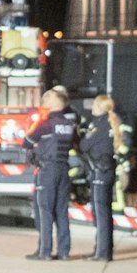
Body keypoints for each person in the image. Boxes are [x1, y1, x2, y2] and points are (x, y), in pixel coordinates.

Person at [24, 87, 79, 261]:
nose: (44, 103)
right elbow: (76, 144)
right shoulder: (69, 125)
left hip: (47, 169)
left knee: (45, 210)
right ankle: (64, 252)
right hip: (63, 169)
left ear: (54, 102)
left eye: (47, 100)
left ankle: (45, 251)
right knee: (62, 212)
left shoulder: (46, 124)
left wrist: (34, 150)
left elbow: (26, 142)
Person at [78, 94, 123, 261]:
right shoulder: (112, 123)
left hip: (99, 171)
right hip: (107, 170)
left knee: (100, 213)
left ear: (99, 108)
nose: (92, 108)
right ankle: (103, 250)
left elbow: (84, 145)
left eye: (95, 105)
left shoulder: (99, 125)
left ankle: (102, 253)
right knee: (104, 213)